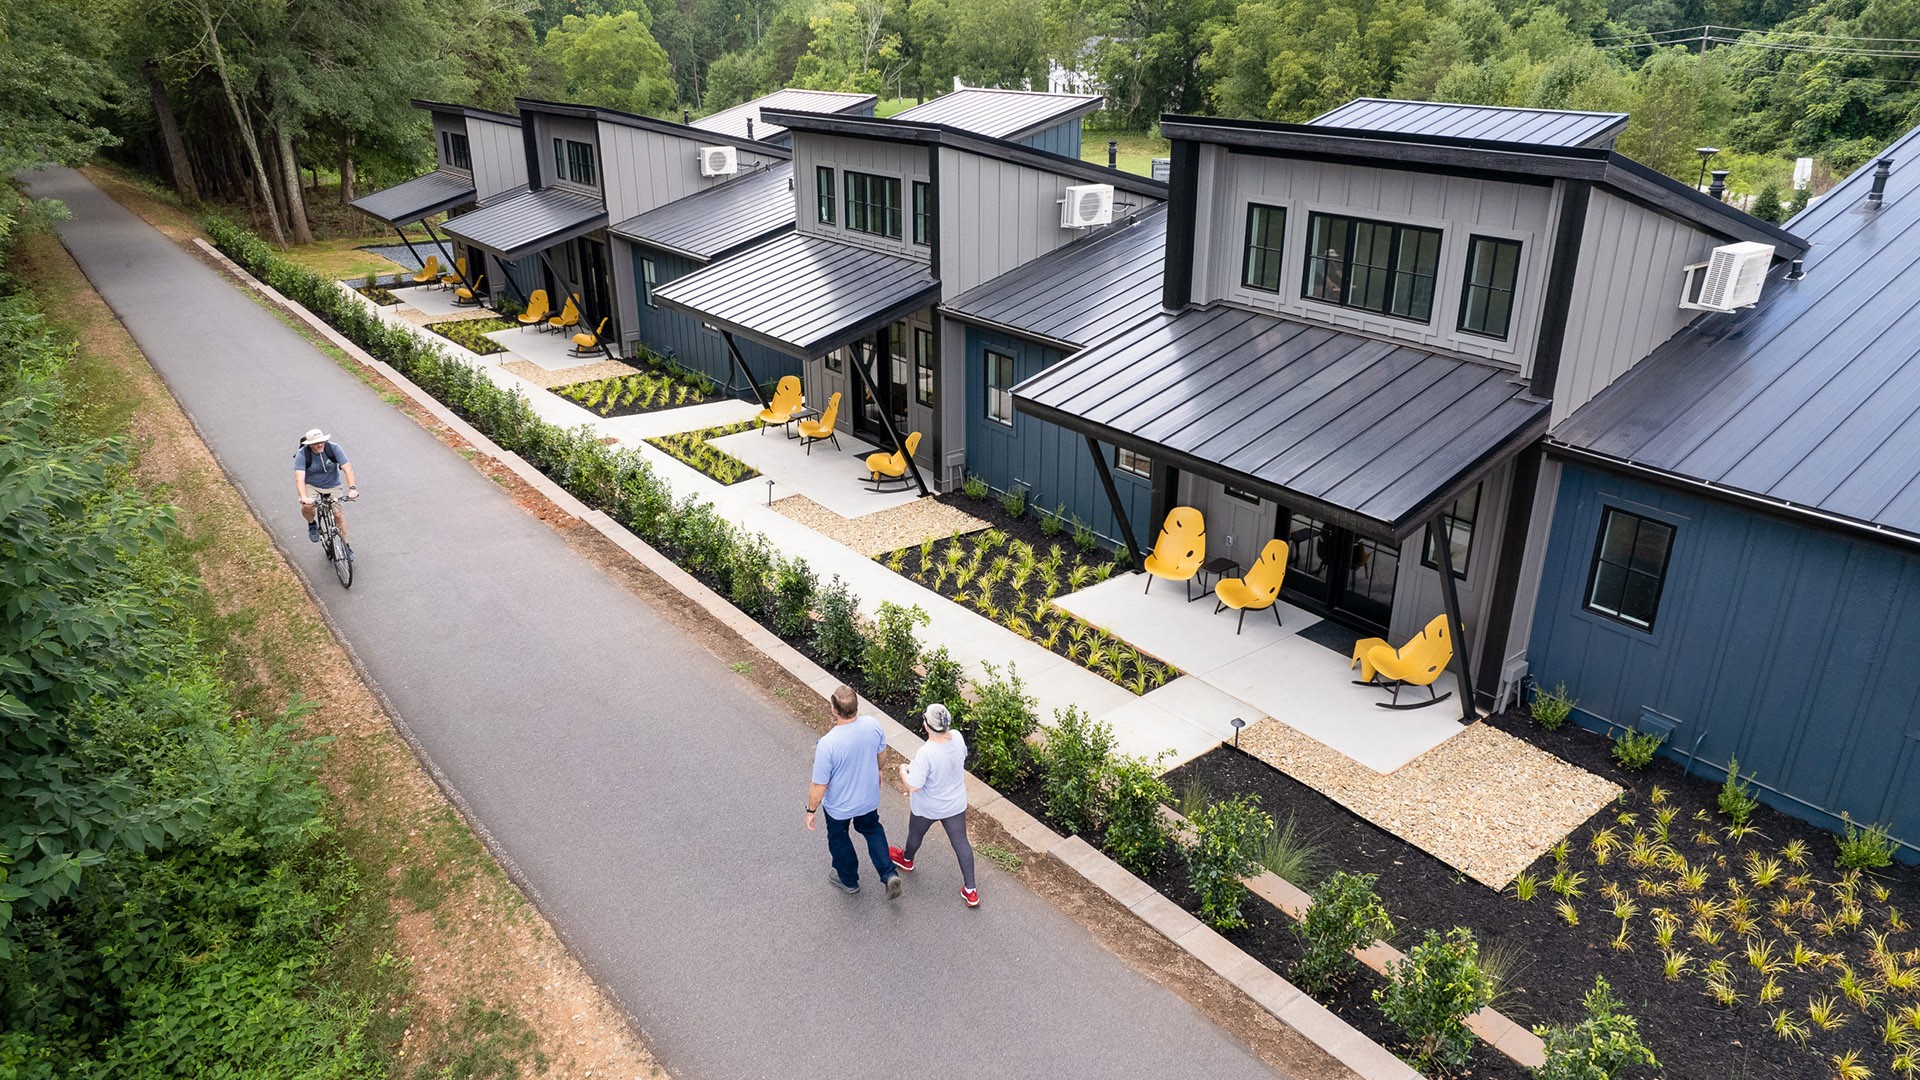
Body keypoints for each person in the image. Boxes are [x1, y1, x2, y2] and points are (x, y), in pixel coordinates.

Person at [806, 685, 903, 899]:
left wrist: (810, 810)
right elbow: (882, 753)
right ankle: (888, 874)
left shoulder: (828, 744)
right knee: (872, 830)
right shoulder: (872, 725)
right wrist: (878, 770)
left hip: (839, 807)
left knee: (839, 837)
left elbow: (819, 784)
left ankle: (848, 879)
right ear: (857, 707)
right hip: (868, 798)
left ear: (834, 709)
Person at [889, 704, 979, 907]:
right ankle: (971, 891)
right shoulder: (957, 737)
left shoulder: (926, 752)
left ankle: (907, 860)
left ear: (927, 726)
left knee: (915, 835)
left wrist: (903, 770)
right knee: (961, 843)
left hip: (928, 806)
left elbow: (913, 786)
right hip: (955, 803)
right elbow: (962, 755)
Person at [294, 428, 358, 552]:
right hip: (312, 485)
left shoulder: (333, 448)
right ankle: (312, 523)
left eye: (321, 441)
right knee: (307, 507)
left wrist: (352, 489)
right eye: (316, 443)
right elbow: (299, 478)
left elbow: (347, 468)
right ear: (310, 444)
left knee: (337, 515)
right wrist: (303, 497)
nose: (320, 445)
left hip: (332, 485)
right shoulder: (302, 454)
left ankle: (346, 547)